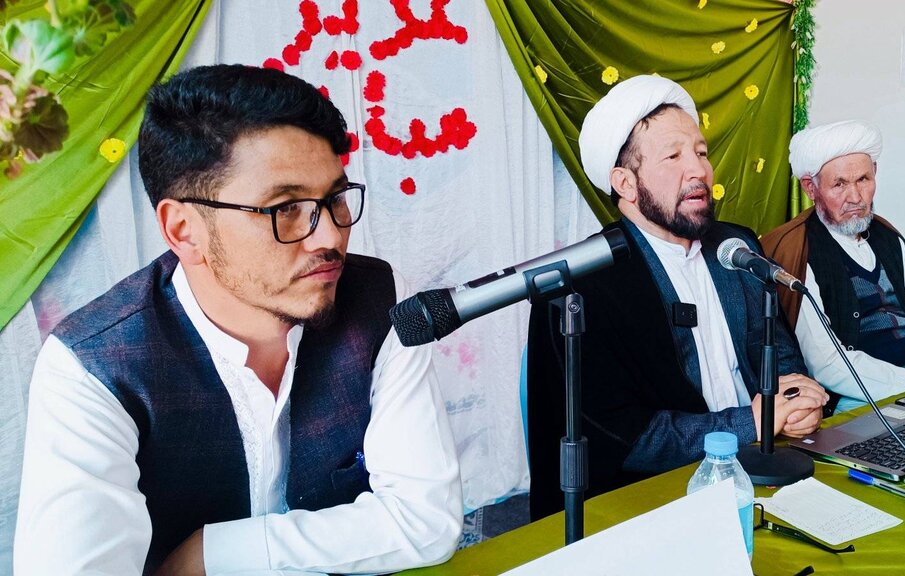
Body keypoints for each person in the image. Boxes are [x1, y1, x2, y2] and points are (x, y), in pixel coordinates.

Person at [14, 65, 462, 575]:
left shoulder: (381, 298)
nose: (330, 237)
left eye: (334, 199)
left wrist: (212, 552)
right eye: (285, 208)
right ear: (184, 230)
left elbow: (426, 520)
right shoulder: (92, 368)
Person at [525, 75, 828, 520]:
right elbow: (629, 438)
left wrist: (796, 401)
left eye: (701, 153)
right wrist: (752, 422)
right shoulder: (583, 286)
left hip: (766, 464)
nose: (699, 170)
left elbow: (778, 351)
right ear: (625, 183)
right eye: (674, 156)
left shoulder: (735, 247)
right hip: (654, 498)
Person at [761, 120, 905, 414]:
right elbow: (826, 361)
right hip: (861, 396)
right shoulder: (795, 247)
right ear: (811, 187)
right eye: (839, 184)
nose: (856, 197)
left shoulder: (887, 236)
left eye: (863, 179)